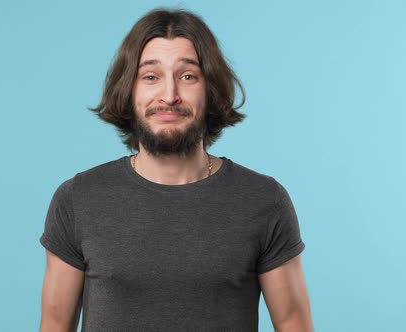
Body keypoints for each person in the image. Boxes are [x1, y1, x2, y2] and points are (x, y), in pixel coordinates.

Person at [39, 8, 313, 332]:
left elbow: (294, 324)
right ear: (129, 90)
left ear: (210, 91)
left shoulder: (264, 201)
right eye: (150, 77)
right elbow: (55, 325)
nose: (169, 95)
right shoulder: (77, 199)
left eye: (187, 76)